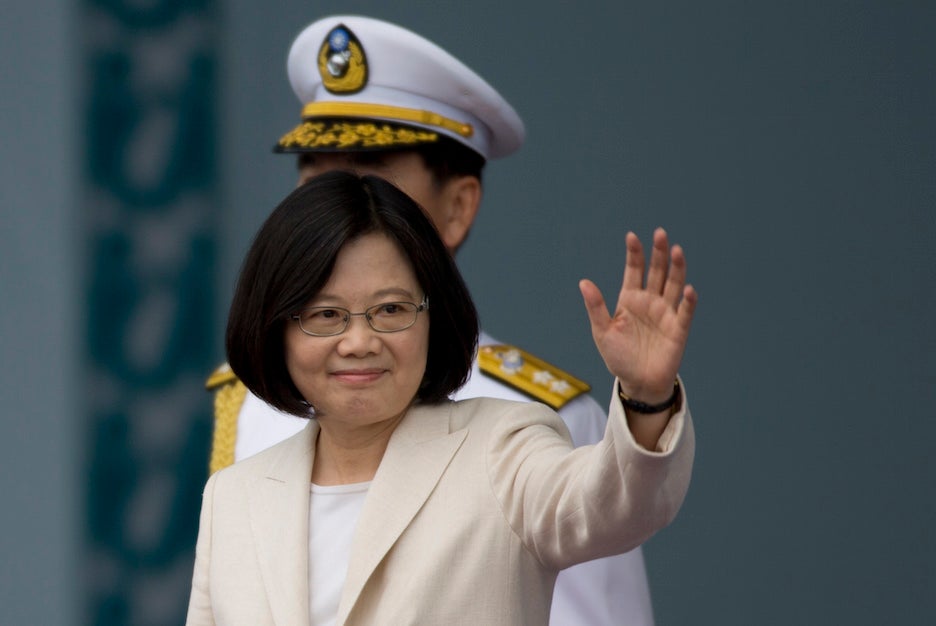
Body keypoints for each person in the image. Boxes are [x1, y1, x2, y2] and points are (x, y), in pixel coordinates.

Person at [204, 15, 673, 624]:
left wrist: (645, 398)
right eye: (317, 175)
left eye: (371, 178)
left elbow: (612, 521)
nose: (339, 207)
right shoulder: (246, 430)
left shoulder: (522, 428)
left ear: (457, 208)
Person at [187, 170, 697, 626]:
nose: (360, 342)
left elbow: (615, 505)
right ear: (277, 329)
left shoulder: (503, 450)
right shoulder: (233, 498)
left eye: (391, 310)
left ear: (435, 316)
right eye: (325, 315)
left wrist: (646, 395)